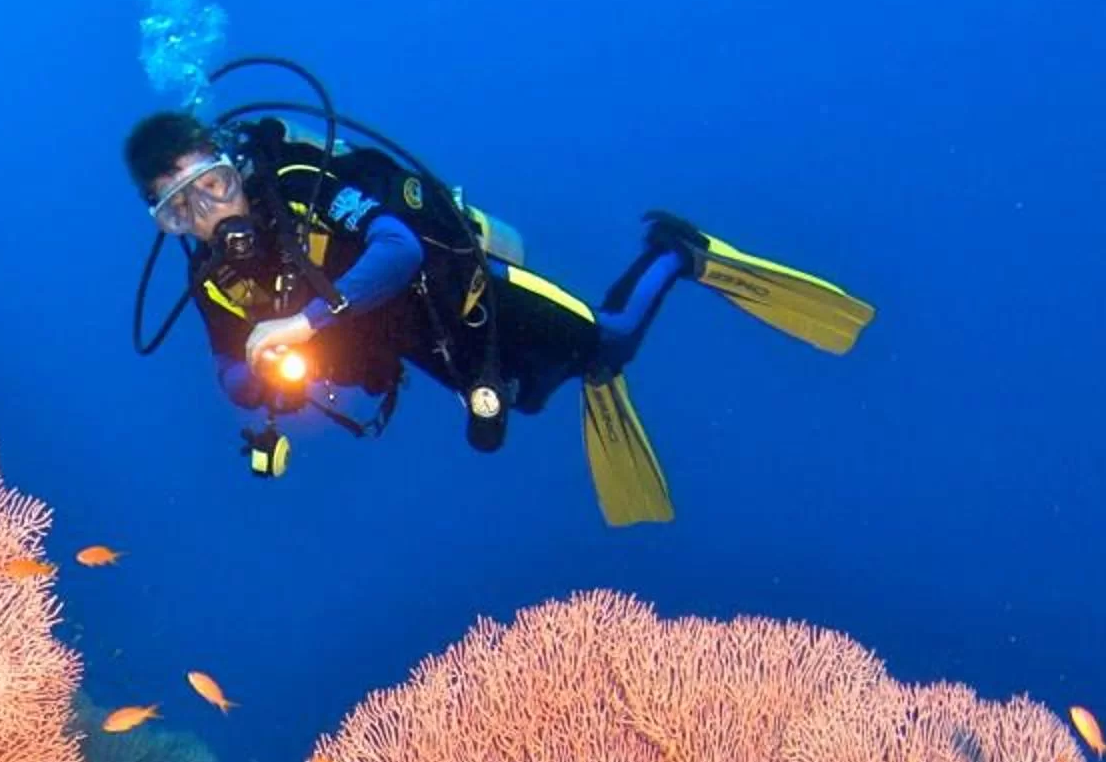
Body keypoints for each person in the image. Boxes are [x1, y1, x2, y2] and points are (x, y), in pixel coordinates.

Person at [124, 103, 875, 523]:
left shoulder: (303, 183)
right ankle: (556, 372)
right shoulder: (212, 270)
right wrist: (259, 380)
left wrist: (303, 327)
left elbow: (396, 250)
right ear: (163, 221)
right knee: (529, 397)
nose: (207, 214)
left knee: (607, 346)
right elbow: (227, 364)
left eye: (213, 185)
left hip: (463, 289)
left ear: (234, 167)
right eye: (178, 207)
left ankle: (677, 252)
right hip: (414, 339)